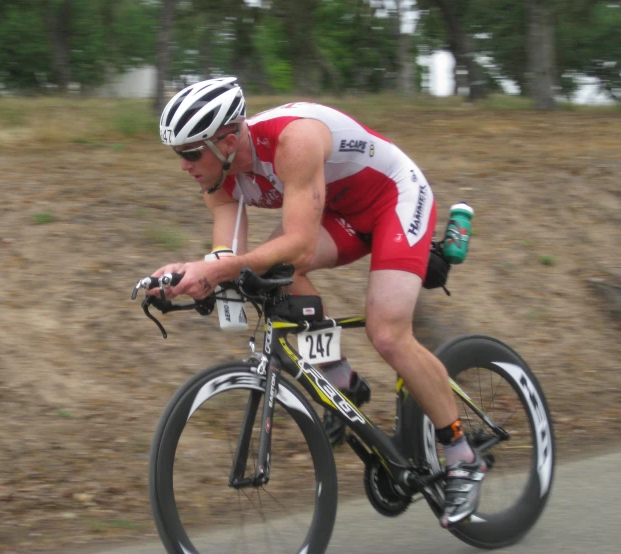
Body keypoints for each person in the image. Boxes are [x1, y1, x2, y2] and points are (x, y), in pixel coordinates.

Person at [151, 76, 485, 528]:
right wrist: (182, 278)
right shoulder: (220, 179)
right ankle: (342, 378)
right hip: (341, 213)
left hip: (394, 198)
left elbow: (301, 246)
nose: (184, 165)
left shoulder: (294, 141)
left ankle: (462, 455)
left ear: (227, 140)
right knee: (266, 275)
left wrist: (216, 269)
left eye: (190, 152)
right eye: (178, 154)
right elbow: (228, 258)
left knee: (387, 333)